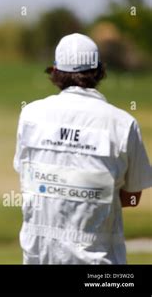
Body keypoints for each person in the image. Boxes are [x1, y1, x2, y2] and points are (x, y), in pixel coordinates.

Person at [13, 33, 151, 264]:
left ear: (56, 71)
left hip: (39, 257)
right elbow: (133, 197)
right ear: (98, 71)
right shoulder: (123, 123)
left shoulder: (30, 114)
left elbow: (28, 179)